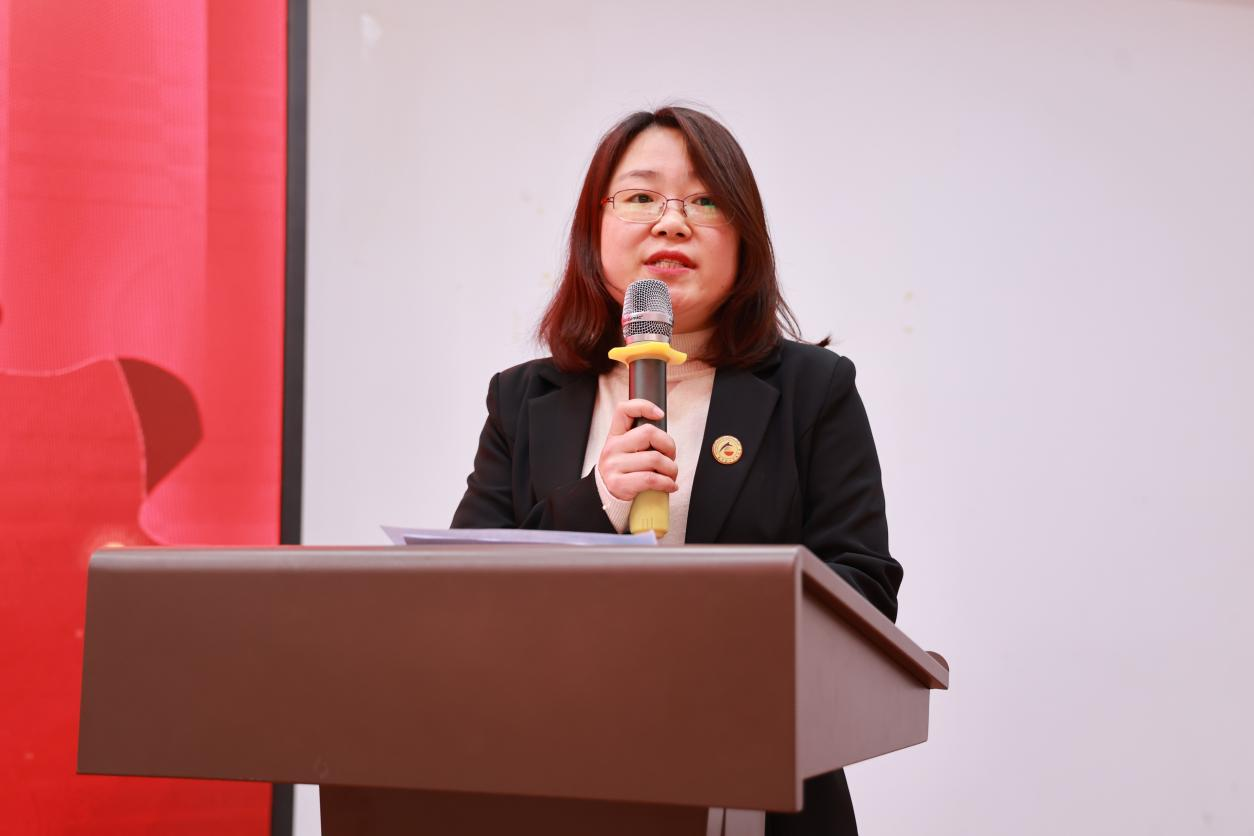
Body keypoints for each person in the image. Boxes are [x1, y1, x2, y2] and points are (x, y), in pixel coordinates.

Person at [452, 105, 902, 836]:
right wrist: (599, 500)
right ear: (594, 228)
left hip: (755, 782)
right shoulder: (523, 399)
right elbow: (463, 597)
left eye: (705, 202)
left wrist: (714, 632)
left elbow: (864, 588)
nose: (671, 223)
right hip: (559, 780)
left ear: (745, 239)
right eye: (640, 197)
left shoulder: (813, 390)